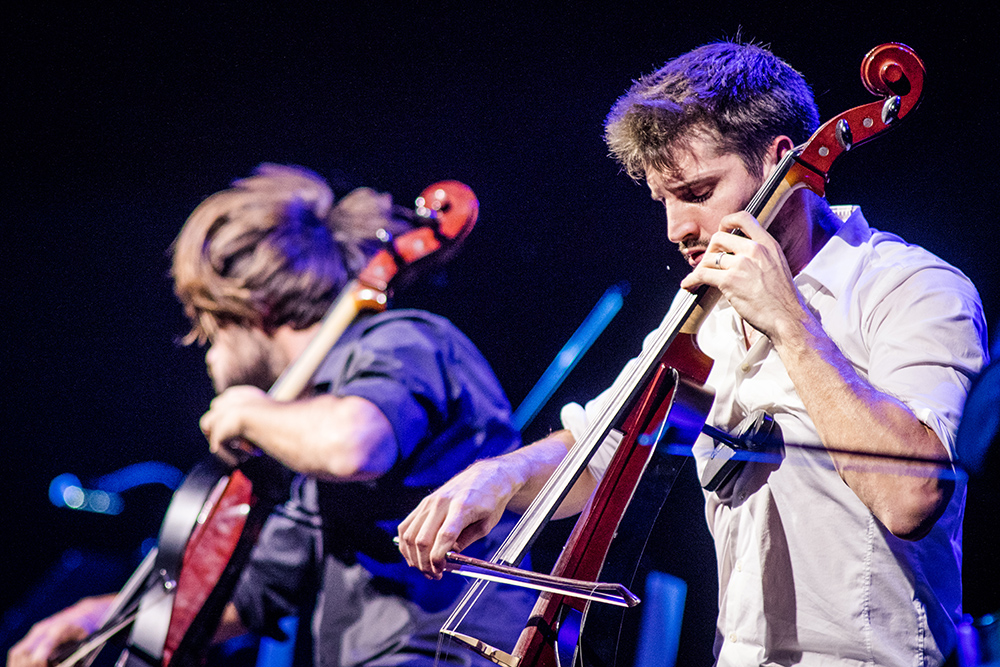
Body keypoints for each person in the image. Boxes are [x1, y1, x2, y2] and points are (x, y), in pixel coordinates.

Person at [397, 42, 990, 666]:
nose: (677, 229)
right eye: (665, 201)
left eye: (698, 191)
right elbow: (604, 446)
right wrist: (499, 475)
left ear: (780, 162)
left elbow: (911, 499)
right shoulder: (703, 317)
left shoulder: (911, 287)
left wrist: (787, 319)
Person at [8, 164, 532, 667]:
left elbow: (354, 444)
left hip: (451, 651)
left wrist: (249, 410)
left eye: (204, 322)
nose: (203, 348)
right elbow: (251, 592)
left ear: (248, 308)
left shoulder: (402, 340)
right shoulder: (299, 430)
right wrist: (102, 616)